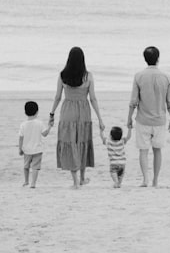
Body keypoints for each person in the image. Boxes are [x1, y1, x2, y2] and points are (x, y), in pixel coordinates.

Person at [50, 47, 105, 188]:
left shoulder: (62, 75)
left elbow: (57, 97)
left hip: (67, 111)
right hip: (83, 112)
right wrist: (100, 118)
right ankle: (82, 178)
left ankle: (75, 181)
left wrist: (52, 113)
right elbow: (93, 98)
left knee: (71, 143)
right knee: (82, 143)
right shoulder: (88, 76)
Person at [127, 46, 170, 187]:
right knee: (157, 150)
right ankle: (155, 180)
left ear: (145, 59)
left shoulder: (139, 76)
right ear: (158, 59)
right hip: (159, 120)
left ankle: (145, 180)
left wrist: (129, 117)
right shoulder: (166, 77)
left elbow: (133, 101)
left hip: (143, 119)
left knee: (143, 150)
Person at [18, 100, 54, 189]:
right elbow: (45, 134)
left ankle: (26, 181)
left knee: (26, 166)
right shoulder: (39, 123)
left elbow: (21, 137)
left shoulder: (23, 125)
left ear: (25, 112)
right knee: (35, 167)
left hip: (26, 149)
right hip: (38, 149)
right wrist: (50, 126)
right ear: (37, 112)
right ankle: (33, 183)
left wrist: (20, 148)